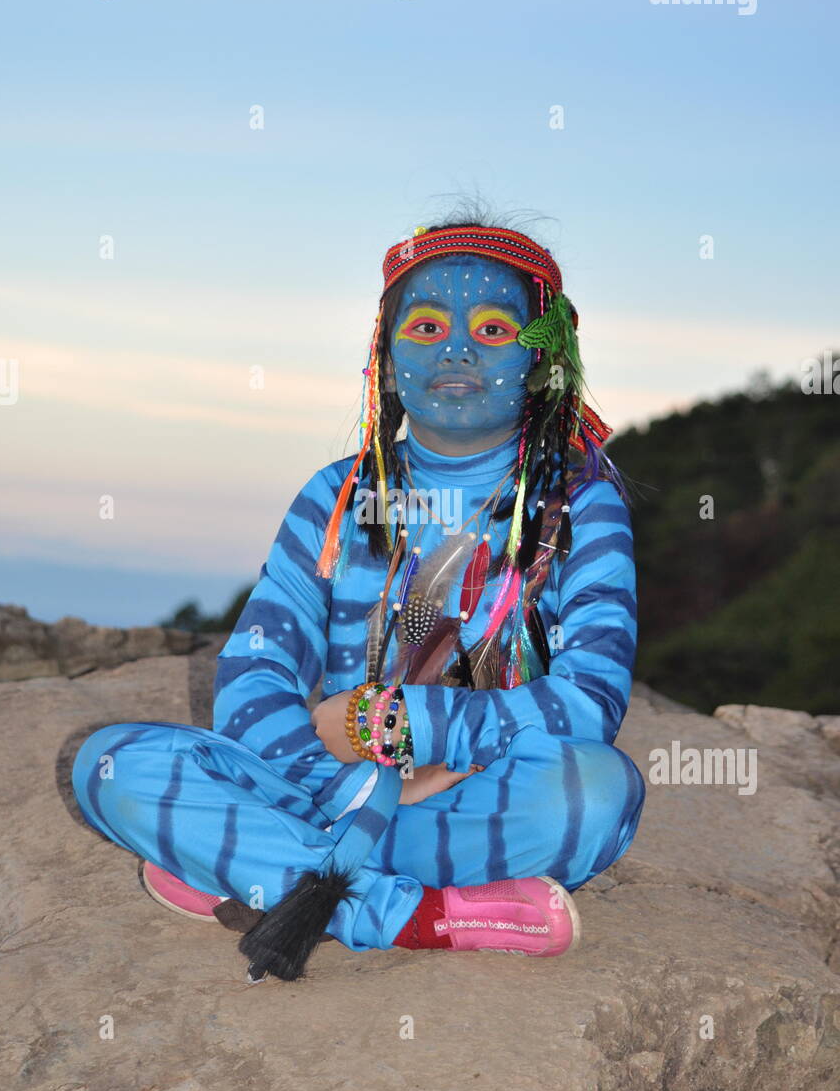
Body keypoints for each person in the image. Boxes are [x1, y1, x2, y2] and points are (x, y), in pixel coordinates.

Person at [71, 218, 645, 982]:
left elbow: (590, 700)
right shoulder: (337, 495)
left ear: (543, 359)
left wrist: (399, 728)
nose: (457, 350)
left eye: (495, 327)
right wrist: (342, 774)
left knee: (595, 793)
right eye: (428, 325)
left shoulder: (581, 501)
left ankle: (252, 868)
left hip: (475, 790)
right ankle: (415, 915)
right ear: (386, 351)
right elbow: (255, 668)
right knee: (106, 765)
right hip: (324, 785)